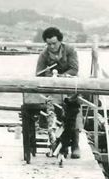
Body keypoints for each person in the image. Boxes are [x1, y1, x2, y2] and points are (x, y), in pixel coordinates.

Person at [35, 27, 82, 159]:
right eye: (49, 44)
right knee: (53, 113)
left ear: (60, 41)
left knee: (74, 111)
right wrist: (48, 76)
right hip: (53, 88)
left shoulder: (70, 50)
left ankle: (75, 145)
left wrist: (62, 77)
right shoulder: (44, 55)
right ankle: (58, 144)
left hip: (70, 86)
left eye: (54, 43)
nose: (52, 46)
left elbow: (74, 69)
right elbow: (38, 75)